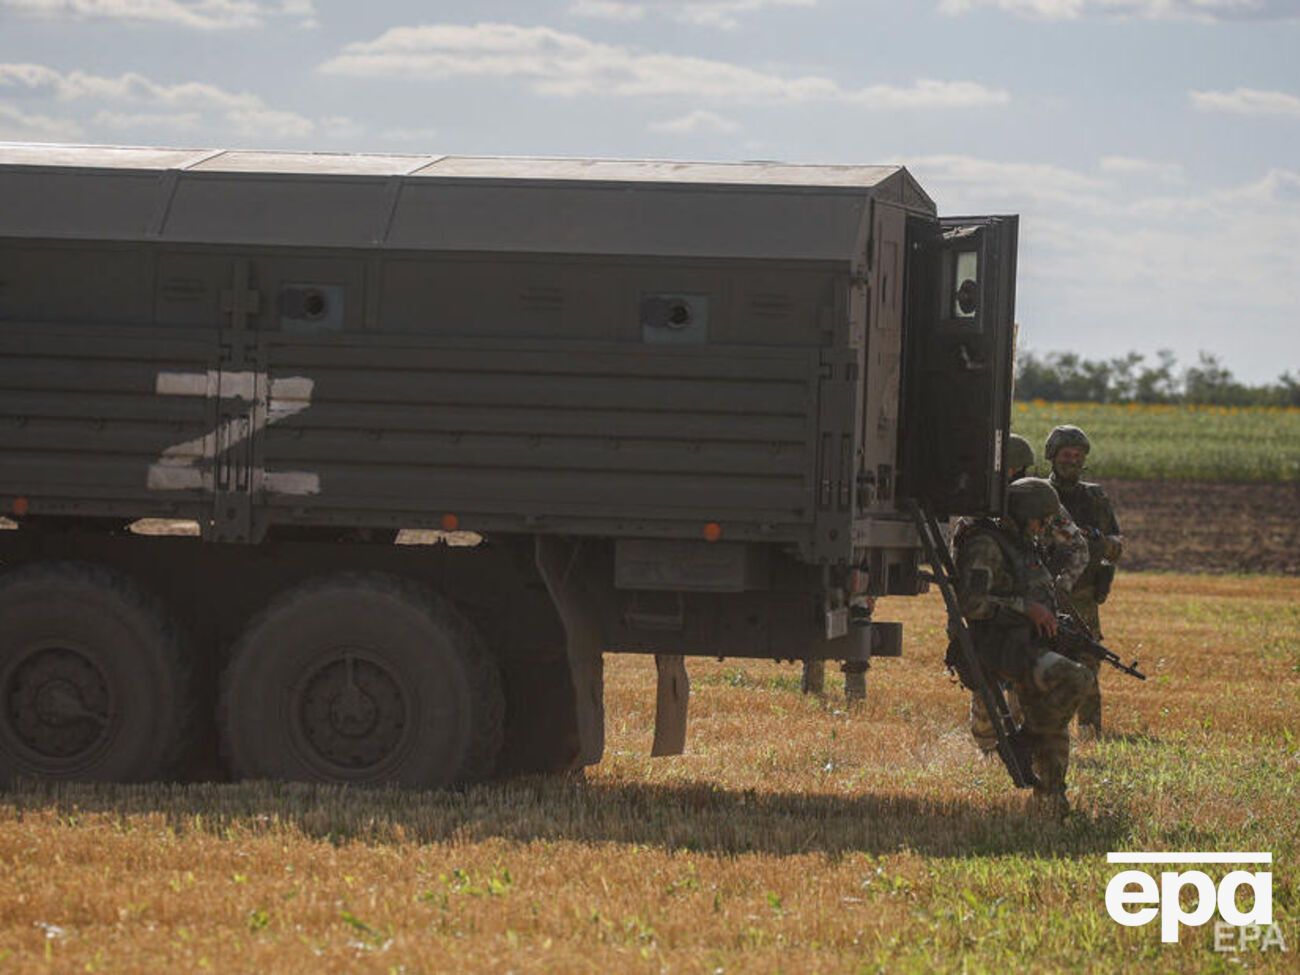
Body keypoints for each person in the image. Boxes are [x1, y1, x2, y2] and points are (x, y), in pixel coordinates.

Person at [953, 478, 1097, 818]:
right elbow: (972, 604)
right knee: (1075, 679)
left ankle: (1051, 800)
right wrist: (1026, 609)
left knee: (1052, 716)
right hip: (999, 647)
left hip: (1025, 643)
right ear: (1022, 513)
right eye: (1041, 520)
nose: (1045, 527)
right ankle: (1024, 740)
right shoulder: (986, 545)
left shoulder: (1022, 543)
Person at [961, 434, 1089, 754]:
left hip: (1026, 612)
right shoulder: (976, 510)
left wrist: (1052, 592)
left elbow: (1077, 547)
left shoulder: (1036, 501)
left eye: (1012, 470)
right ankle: (990, 748)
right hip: (990, 608)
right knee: (985, 683)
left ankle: (1025, 743)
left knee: (1027, 685)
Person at [1045, 425, 1123, 738]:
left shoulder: (1095, 498)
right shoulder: (1039, 495)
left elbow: (1116, 545)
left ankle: (1090, 731)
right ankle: (1043, 729)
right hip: (1047, 593)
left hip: (1084, 595)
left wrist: (1097, 541)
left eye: (1078, 455)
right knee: (1043, 663)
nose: (1072, 460)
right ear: (1052, 456)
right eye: (1066, 454)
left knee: (1088, 661)